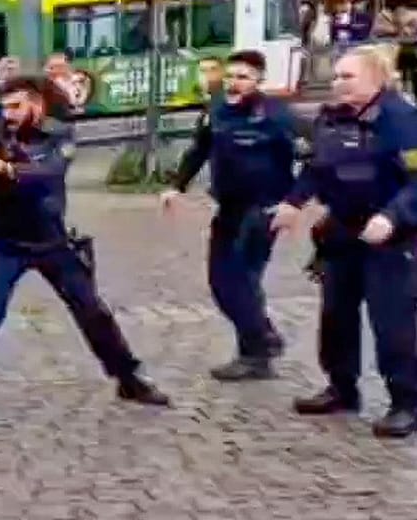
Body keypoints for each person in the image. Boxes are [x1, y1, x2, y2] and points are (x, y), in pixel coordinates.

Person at [0, 77, 171, 424]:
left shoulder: (58, 134)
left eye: (16, 106)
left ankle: (129, 379)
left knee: (92, 312)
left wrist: (7, 169)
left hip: (51, 240)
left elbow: (48, 175)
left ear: (37, 103)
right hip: (4, 244)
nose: (9, 114)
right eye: (4, 107)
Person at [271, 45, 417, 437]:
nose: (337, 83)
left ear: (377, 79)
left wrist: (392, 216)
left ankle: (406, 402)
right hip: (343, 231)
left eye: (347, 76)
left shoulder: (402, 119)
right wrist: (293, 203)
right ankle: (341, 387)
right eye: (335, 76)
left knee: (393, 322)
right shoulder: (330, 119)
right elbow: (317, 168)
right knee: (336, 314)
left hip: (392, 236)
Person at [161, 50, 300, 380]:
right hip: (229, 206)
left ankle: (255, 353)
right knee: (221, 281)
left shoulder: (277, 115)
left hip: (263, 208)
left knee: (241, 278)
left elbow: (307, 157)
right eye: (230, 76)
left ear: (258, 81)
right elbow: (199, 149)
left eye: (243, 77)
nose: (234, 83)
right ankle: (263, 337)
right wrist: (177, 186)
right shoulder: (217, 112)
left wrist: (293, 201)